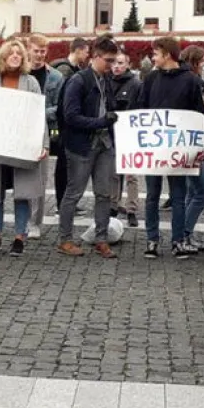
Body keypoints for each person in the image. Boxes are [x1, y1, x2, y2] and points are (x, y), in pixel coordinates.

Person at [136, 38, 204, 259]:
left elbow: (200, 115)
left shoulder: (190, 80)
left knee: (178, 195)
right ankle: (152, 240)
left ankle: (177, 240)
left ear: (166, 54)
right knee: (152, 195)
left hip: (180, 147)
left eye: (155, 53)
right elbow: (140, 108)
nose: (153, 57)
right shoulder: (151, 79)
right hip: (154, 147)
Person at [0, 40, 48, 256]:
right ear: (3, 56)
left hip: (22, 145)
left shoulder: (31, 82)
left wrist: (43, 143)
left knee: (22, 192)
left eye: (19, 53)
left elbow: (39, 115)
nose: (15, 56)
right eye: (11, 53)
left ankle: (19, 236)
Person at [57, 35, 121, 259]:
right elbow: (70, 116)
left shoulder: (106, 80)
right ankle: (65, 239)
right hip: (81, 145)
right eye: (109, 60)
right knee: (73, 193)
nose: (112, 65)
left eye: (114, 61)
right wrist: (102, 122)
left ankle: (101, 239)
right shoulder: (79, 80)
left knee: (104, 194)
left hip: (104, 145)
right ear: (95, 57)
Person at [23, 34, 62, 240]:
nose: (39, 55)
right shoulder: (20, 73)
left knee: (39, 178)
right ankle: (23, 218)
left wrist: (40, 112)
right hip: (20, 129)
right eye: (36, 50)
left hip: (43, 130)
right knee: (20, 177)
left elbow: (60, 106)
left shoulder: (55, 76)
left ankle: (35, 222)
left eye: (42, 51)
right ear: (28, 49)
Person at [51, 36, 90, 214]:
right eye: (86, 51)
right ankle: (62, 204)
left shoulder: (73, 69)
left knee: (67, 166)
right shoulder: (66, 70)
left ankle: (66, 202)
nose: (88, 55)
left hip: (65, 125)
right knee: (63, 166)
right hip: (62, 125)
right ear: (78, 50)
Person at [180, 45, 204, 244]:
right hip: (192, 142)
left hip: (191, 142)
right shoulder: (194, 82)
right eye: (202, 61)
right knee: (202, 193)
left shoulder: (188, 80)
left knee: (192, 192)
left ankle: (185, 233)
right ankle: (184, 233)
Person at [110, 51, 142, 228]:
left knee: (131, 174)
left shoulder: (135, 84)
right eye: (114, 62)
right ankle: (113, 206)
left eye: (121, 63)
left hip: (129, 132)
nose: (116, 66)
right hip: (112, 132)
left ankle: (131, 210)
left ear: (128, 64)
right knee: (113, 173)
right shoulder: (106, 81)